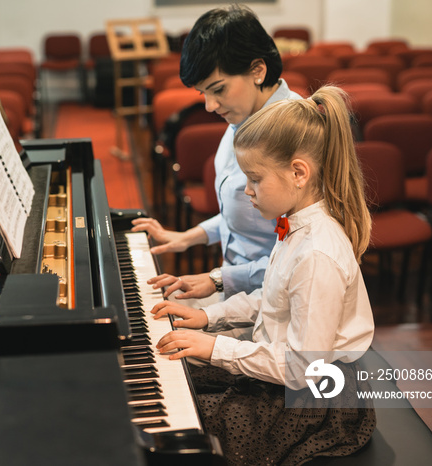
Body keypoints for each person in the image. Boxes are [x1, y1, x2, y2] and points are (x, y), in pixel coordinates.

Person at [150, 86, 376, 465]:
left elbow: (306, 367)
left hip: (314, 402)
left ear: (298, 173)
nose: (246, 190)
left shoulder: (317, 253)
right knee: (178, 371)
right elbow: (271, 297)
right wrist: (209, 317)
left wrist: (215, 347)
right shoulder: (295, 224)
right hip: (285, 372)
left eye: (254, 179)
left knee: (191, 428)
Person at [132, 5, 302, 304]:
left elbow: (302, 263)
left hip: (277, 300)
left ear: (257, 71)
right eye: (203, 94)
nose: (209, 106)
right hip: (238, 287)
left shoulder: (296, 136)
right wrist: (187, 237)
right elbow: (245, 220)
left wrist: (218, 280)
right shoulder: (243, 115)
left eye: (218, 89)